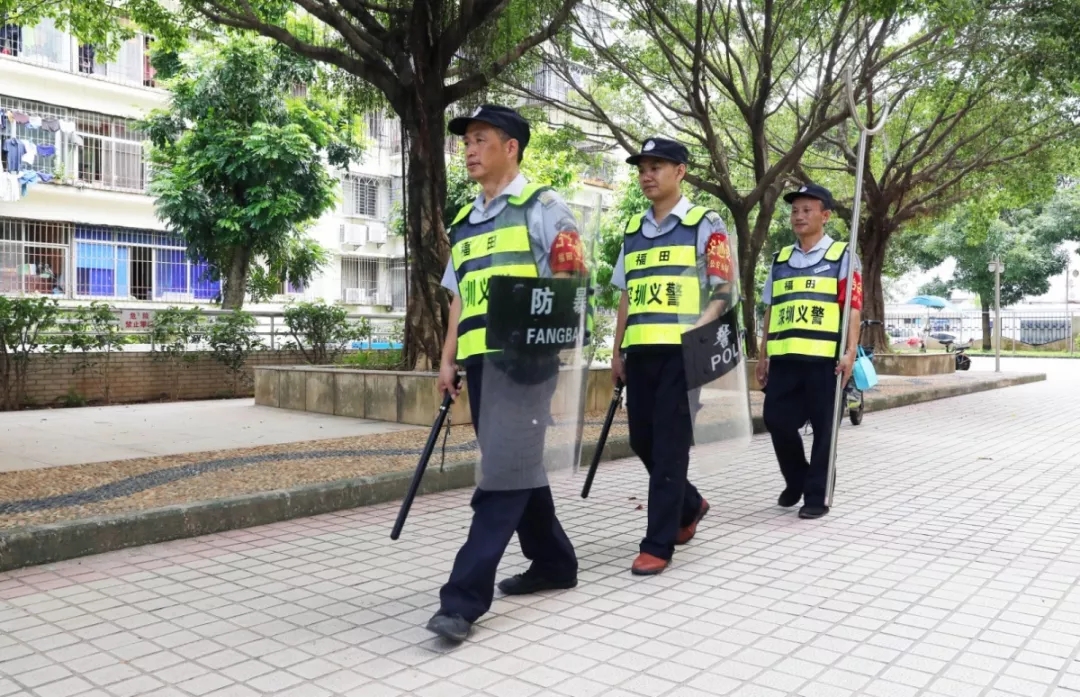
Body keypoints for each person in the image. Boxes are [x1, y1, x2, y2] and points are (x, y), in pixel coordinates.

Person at [427, 104, 588, 642]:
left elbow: (571, 281)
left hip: (526, 364)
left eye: (480, 139)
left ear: (511, 147)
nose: (468, 150)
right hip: (481, 365)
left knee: (498, 477)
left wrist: (546, 349)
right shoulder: (465, 222)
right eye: (465, 142)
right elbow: (459, 296)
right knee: (517, 465)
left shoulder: (544, 208)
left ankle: (461, 601)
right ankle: (554, 562)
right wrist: (448, 358)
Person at [609, 137, 736, 576]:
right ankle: (690, 503)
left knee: (668, 447)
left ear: (680, 172)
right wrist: (617, 350)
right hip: (641, 353)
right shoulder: (633, 230)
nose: (647, 175)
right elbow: (627, 295)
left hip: (682, 355)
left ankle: (658, 543)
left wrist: (698, 331)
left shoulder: (706, 223)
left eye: (656, 167)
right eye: (642, 168)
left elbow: (724, 289)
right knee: (641, 440)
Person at [755, 184, 862, 520]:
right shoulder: (780, 260)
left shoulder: (843, 256)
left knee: (824, 430)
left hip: (825, 361)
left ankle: (817, 496)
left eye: (806, 210)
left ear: (825, 216)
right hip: (785, 359)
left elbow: (853, 308)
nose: (798, 216)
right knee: (776, 419)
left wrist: (850, 352)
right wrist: (762, 354)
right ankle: (797, 478)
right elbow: (771, 309)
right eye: (794, 211)